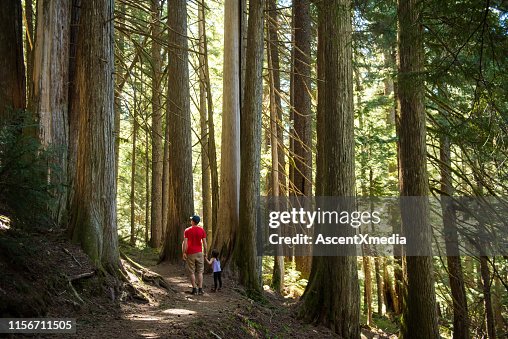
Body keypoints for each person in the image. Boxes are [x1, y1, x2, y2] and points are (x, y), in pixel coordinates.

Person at [182, 215, 207, 295]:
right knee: (200, 272)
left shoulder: (187, 230)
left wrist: (184, 252)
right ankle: (200, 289)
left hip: (190, 253)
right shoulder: (202, 230)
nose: (191, 221)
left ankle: (194, 289)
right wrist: (205, 252)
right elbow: (204, 243)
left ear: (193, 222)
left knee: (191, 272)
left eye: (191, 220)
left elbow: (185, 243)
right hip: (199, 253)